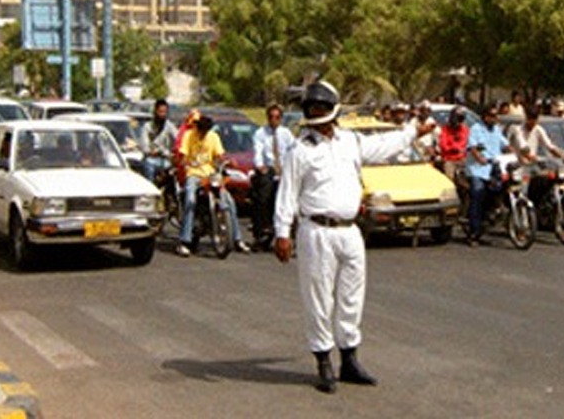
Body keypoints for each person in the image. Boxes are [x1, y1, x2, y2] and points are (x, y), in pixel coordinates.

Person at [273, 81, 436, 394]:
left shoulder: (349, 141)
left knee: (351, 296)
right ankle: (323, 361)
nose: (316, 111)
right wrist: (282, 233)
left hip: (350, 231)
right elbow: (287, 194)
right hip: (317, 230)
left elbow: (383, 146)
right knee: (319, 297)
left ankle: (349, 358)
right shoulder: (301, 150)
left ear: (333, 109)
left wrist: (413, 132)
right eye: (311, 107)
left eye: (321, 106)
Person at [176, 113, 250, 256]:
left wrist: (227, 161)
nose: (203, 133)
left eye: (206, 130)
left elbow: (219, 155)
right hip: (194, 174)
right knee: (190, 200)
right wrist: (184, 161)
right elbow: (183, 155)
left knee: (228, 201)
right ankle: (184, 240)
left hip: (210, 174)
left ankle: (237, 239)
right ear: (197, 127)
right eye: (201, 129)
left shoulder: (213, 137)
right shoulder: (189, 136)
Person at [465, 106, 511, 247]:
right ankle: (474, 233)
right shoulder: (476, 129)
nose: (494, 119)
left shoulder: (496, 130)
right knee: (478, 195)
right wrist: (479, 158)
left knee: (503, 188)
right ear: (485, 116)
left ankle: (494, 213)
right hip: (478, 170)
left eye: (496, 116)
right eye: (491, 116)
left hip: (494, 169)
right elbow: (472, 147)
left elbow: (506, 145)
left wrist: (516, 154)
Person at [251, 103, 292, 251]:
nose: (274, 120)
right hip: (268, 169)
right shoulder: (260, 133)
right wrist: (260, 165)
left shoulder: (286, 134)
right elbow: (258, 151)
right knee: (263, 195)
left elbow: (293, 151)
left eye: (277, 117)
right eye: (271, 117)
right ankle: (263, 228)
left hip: (284, 170)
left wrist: (289, 168)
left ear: (281, 119)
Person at [138, 99, 177, 183]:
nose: (163, 114)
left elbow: (177, 138)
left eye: (165, 112)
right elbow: (145, 147)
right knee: (149, 166)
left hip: (166, 159)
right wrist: (152, 152)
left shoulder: (169, 126)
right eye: (160, 112)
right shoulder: (147, 127)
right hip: (151, 159)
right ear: (155, 111)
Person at [437, 106, 469, 183]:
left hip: (463, 159)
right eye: (457, 118)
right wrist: (454, 148)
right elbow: (443, 145)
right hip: (449, 159)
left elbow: (466, 143)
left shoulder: (465, 129)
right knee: (449, 178)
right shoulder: (445, 129)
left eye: (460, 118)